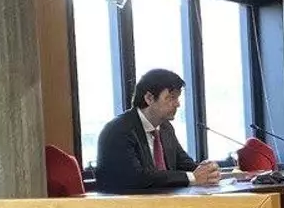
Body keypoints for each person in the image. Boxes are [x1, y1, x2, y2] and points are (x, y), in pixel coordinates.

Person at [94, 69, 222, 193]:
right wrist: (193, 177)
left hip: (165, 202)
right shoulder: (118, 130)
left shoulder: (165, 128)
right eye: (171, 98)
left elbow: (183, 163)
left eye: (178, 98)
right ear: (149, 98)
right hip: (125, 205)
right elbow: (138, 178)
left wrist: (207, 171)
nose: (177, 104)